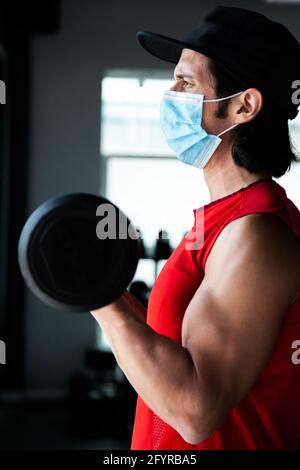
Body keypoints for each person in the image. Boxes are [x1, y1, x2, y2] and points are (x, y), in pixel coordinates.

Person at [91, 6, 300, 449]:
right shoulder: (225, 220)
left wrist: (97, 298)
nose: (170, 92)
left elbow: (195, 411)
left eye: (186, 82)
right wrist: (103, 288)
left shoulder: (256, 235)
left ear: (243, 105)